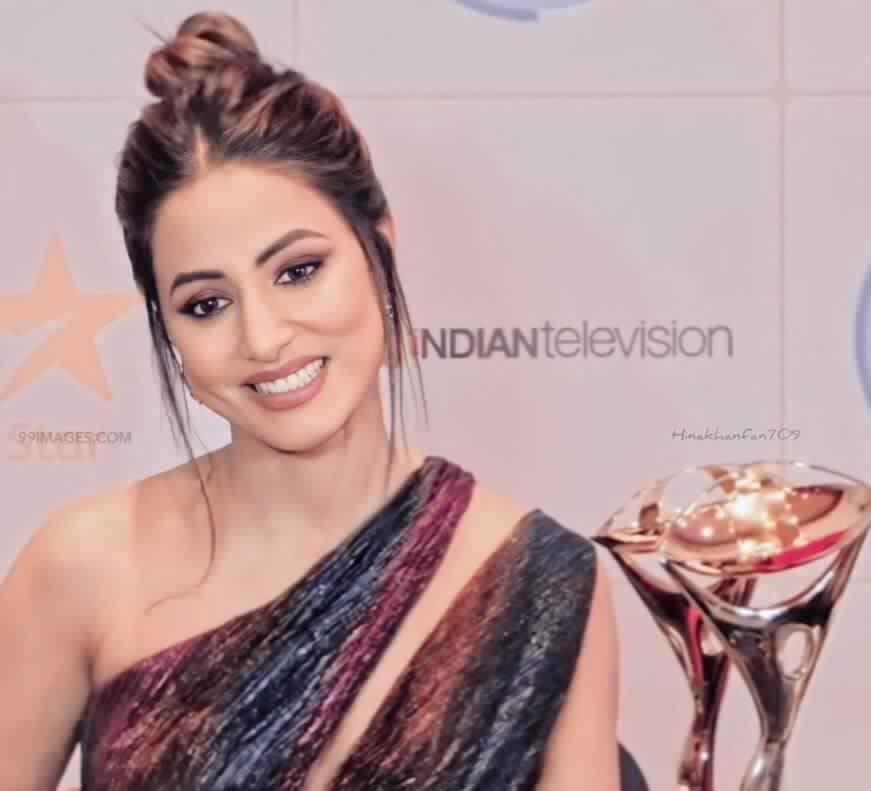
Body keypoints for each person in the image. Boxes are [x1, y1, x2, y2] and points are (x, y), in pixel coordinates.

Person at [0, 11, 620, 791]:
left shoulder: (541, 584)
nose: (263, 337)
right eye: (206, 304)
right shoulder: (81, 569)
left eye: (297, 271)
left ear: (377, 245)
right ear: (167, 328)